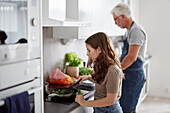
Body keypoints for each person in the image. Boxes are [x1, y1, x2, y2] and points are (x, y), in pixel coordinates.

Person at [111, 3, 147, 113]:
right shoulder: (128, 32)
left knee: (128, 109)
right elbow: (125, 54)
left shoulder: (136, 31)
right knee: (124, 107)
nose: (115, 23)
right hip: (129, 74)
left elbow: (131, 57)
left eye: (116, 19)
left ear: (123, 16)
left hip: (134, 75)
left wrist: (117, 70)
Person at [75, 32, 123, 113]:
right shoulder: (103, 65)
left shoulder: (113, 70)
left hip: (109, 110)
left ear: (99, 49)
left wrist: (84, 103)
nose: (87, 53)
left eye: (89, 50)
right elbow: (104, 83)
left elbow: (110, 100)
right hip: (101, 109)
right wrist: (88, 77)